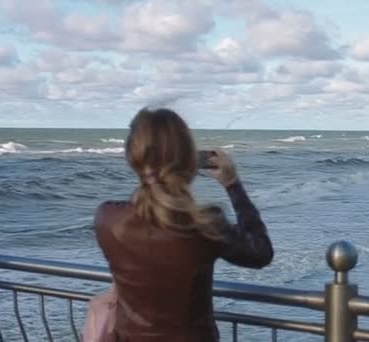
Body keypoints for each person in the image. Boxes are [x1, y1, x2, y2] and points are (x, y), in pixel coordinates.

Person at [93, 107, 273, 341]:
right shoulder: (205, 224)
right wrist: (233, 184)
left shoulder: (107, 218)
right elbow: (260, 253)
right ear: (189, 160)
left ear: (133, 158)